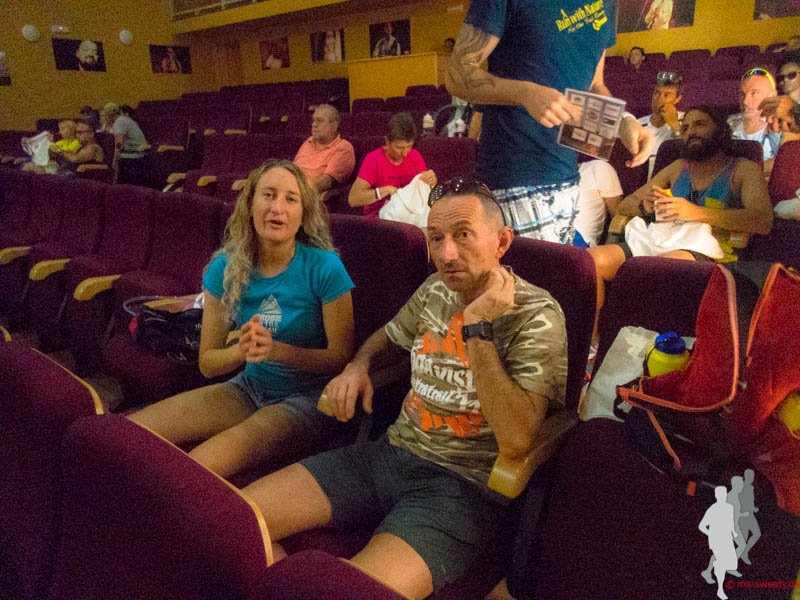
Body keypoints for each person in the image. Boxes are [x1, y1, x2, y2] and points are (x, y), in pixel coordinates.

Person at [242, 179, 568, 598]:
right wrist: (358, 366)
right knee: (238, 523)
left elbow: (518, 438)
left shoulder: (538, 313)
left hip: (459, 488)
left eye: (463, 235)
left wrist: (478, 328)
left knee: (344, 593)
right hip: (389, 454)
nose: (446, 254)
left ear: (502, 242)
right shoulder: (435, 289)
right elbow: (388, 337)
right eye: (436, 238)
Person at [129, 160, 355, 479]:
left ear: (303, 213)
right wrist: (239, 351)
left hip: (307, 399)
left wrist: (278, 351)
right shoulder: (225, 267)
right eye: (268, 195)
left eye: (291, 199)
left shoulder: (325, 267)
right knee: (132, 433)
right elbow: (208, 363)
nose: (277, 208)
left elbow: (340, 358)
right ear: (250, 205)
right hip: (248, 387)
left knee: (196, 466)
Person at [445, 1, 653, 243]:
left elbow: (594, 84)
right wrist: (525, 92)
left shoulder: (607, 3)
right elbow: (457, 75)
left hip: (568, 176)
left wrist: (623, 119)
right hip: (516, 177)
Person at [588, 106, 772, 313]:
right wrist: (646, 207)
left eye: (700, 124)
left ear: (721, 130)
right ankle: (596, 333)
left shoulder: (743, 169)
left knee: (653, 270)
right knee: (589, 262)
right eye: (685, 128)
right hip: (658, 239)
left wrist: (695, 212)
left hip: (707, 249)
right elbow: (625, 204)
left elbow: (762, 220)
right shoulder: (678, 167)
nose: (691, 132)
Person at [348, 112, 436, 218]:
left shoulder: (415, 156)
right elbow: (353, 199)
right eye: (399, 147)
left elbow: (424, 190)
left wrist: (431, 180)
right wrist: (385, 190)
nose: (405, 153)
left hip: (408, 216)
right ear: (387, 141)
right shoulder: (373, 159)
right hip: (380, 218)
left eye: (409, 146)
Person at [293, 104, 355, 193]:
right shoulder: (308, 141)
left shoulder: (343, 148)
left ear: (334, 126)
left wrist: (295, 191)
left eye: (319, 120)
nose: (314, 124)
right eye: (313, 120)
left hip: (310, 194)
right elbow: (292, 169)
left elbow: (325, 183)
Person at [728, 68, 781, 171]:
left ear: (772, 96)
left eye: (754, 93)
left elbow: (788, 163)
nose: (745, 102)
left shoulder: (783, 130)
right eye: (742, 94)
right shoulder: (729, 128)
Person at [638, 71, 685, 177]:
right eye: (656, 93)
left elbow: (688, 155)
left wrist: (675, 126)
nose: (659, 100)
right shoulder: (639, 125)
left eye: (666, 95)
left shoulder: (687, 121)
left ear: (677, 99)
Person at [699, 486, 739, 600]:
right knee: (722, 563)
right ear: (716, 496)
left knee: (731, 563)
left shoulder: (730, 508)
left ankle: (710, 570)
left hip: (727, 538)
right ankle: (720, 590)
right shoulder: (713, 509)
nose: (723, 496)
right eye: (720, 494)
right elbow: (702, 526)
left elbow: (730, 523)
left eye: (724, 494)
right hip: (717, 540)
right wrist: (711, 534)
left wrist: (733, 533)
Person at [575, 159, 623, 247]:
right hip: (549, 237)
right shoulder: (546, 175)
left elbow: (618, 217)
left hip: (577, 243)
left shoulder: (597, 168)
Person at [102, 102, 151, 186]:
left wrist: (115, 159)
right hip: (136, 155)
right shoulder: (124, 119)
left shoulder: (119, 122)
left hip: (135, 158)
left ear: (108, 116)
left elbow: (119, 142)